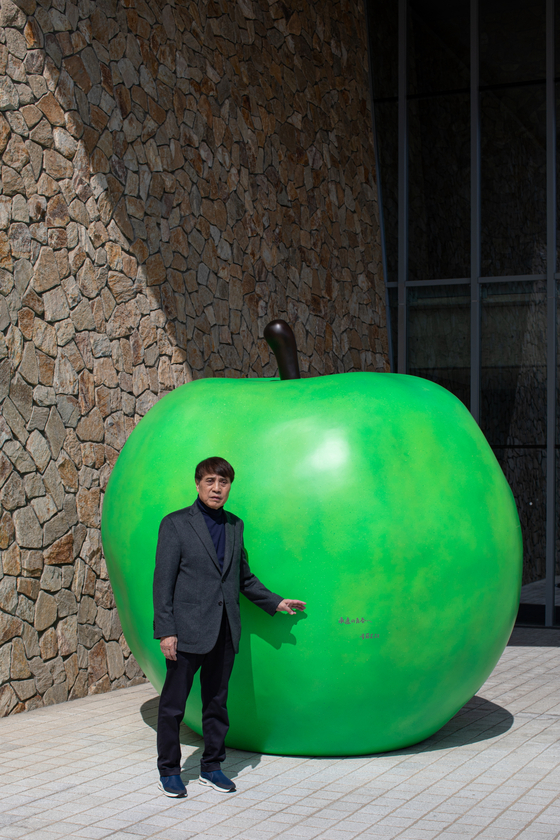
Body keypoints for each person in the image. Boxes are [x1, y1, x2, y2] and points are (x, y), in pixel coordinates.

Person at [153, 456, 306, 798]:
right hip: (186, 631)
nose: (217, 488)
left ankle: (211, 766)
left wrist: (275, 602)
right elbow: (162, 583)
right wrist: (166, 630)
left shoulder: (235, 525)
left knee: (217, 703)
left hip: (224, 630)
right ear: (198, 484)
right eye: (210, 482)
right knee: (174, 705)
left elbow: (243, 578)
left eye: (223, 483)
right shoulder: (175, 524)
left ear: (229, 487)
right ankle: (169, 771)